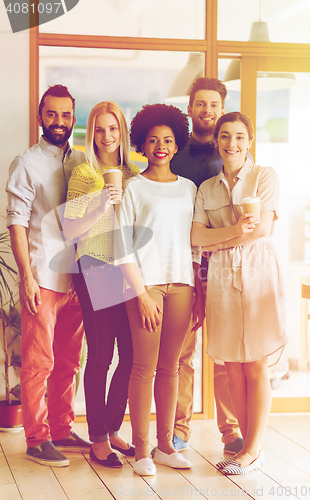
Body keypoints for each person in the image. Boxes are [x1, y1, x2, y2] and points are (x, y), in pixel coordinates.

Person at [191, 111, 287, 474]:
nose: (232, 144)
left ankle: (252, 449)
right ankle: (248, 449)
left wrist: (222, 236)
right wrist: (233, 231)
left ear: (249, 141)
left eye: (240, 137)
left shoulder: (265, 177)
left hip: (258, 274)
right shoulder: (206, 189)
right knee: (232, 365)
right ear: (216, 141)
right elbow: (196, 238)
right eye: (226, 137)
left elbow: (261, 230)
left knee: (256, 364)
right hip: (220, 278)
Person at [115, 103, 205, 476]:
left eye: (167, 140)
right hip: (145, 286)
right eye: (153, 140)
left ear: (176, 143)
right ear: (142, 144)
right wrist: (141, 294)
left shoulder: (189, 188)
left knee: (171, 369)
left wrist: (198, 290)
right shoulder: (134, 187)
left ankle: (166, 445)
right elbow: (120, 246)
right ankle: (141, 452)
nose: (161, 146)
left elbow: (195, 244)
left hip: (182, 284)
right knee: (143, 368)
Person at [6, 84, 91, 467]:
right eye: (52, 114)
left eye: (66, 115)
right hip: (42, 274)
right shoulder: (26, 163)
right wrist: (25, 276)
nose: (59, 121)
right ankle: (37, 437)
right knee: (40, 360)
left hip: (78, 277)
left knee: (70, 361)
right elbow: (17, 223)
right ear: (41, 116)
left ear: (74, 118)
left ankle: (61, 428)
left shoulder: (81, 162)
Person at [62, 102, 139, 467]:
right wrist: (100, 205)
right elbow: (70, 231)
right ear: (90, 132)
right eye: (100, 129)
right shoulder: (85, 173)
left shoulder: (133, 172)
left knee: (132, 354)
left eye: (113, 129)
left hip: (127, 270)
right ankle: (97, 439)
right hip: (95, 267)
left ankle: (112, 427)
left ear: (122, 131)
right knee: (102, 355)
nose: (107, 137)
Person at [169, 77, 243, 455]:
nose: (207, 111)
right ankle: (178, 430)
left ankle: (230, 431)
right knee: (182, 353)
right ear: (190, 108)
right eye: (201, 104)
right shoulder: (174, 154)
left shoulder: (231, 156)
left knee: (225, 349)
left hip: (222, 266)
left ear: (221, 106)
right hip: (181, 266)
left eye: (214, 104)